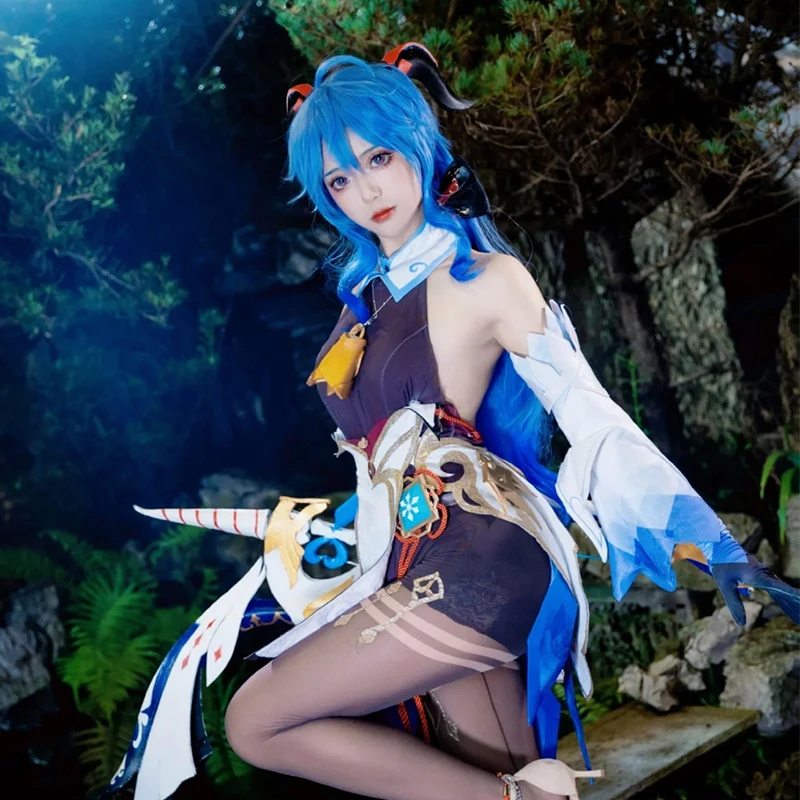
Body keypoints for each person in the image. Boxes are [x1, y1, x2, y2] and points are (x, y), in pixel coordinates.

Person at [107, 43, 799, 800]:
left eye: (378, 158)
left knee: (254, 720)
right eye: (339, 179)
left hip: (479, 565)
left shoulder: (486, 280)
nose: (365, 191)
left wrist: (711, 541)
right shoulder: (362, 300)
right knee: (489, 777)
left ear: (416, 141)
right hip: (410, 564)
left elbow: (591, 413)